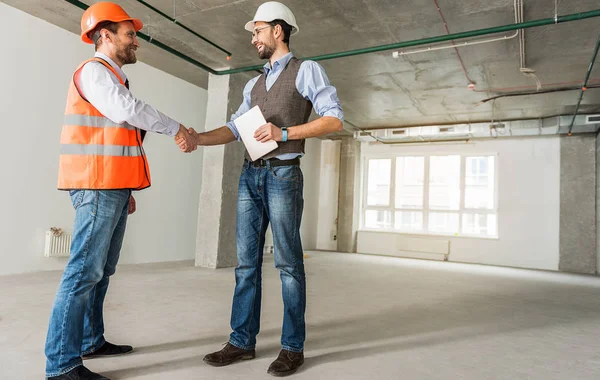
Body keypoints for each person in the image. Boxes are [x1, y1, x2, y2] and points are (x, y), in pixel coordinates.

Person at [177, 1, 343, 376]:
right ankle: (241, 341)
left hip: (284, 176)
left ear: (278, 31)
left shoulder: (306, 71)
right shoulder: (253, 83)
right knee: (246, 264)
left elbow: (334, 119)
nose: (253, 38)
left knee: (287, 264)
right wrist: (197, 138)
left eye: (258, 30)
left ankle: (292, 347)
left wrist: (285, 133)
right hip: (250, 176)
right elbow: (235, 128)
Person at [45, 2, 196, 379]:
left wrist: (126, 189)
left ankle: (90, 341)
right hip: (96, 186)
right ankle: (62, 365)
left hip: (110, 186)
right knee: (83, 273)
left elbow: (117, 137)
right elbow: (126, 110)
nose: (136, 43)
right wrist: (176, 127)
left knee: (101, 271)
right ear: (105, 35)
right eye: (130, 35)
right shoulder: (95, 72)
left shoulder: (111, 77)